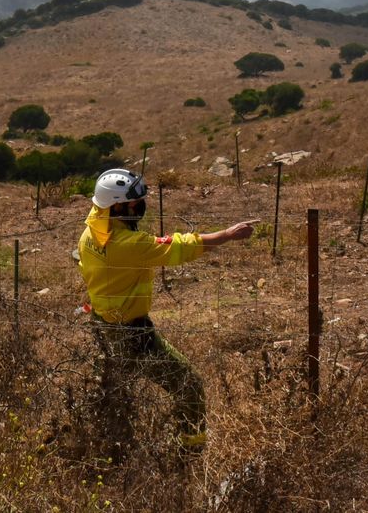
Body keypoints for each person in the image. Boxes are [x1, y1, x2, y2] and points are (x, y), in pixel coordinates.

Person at [77, 167, 254, 452]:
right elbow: (179, 247)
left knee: (117, 384)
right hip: (131, 332)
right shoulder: (129, 245)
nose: (141, 207)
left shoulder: (90, 232)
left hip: (102, 321)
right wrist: (227, 235)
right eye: (135, 203)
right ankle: (190, 450)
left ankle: (108, 437)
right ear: (117, 206)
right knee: (188, 384)